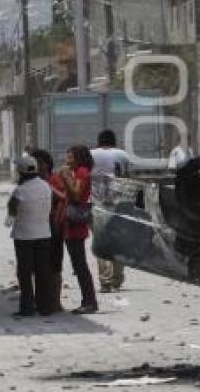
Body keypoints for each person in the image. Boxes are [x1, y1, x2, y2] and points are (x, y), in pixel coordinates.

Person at [5, 156, 54, 317]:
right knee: (43, 271)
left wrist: (10, 219)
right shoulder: (46, 186)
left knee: (25, 273)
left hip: (24, 236)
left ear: (21, 171)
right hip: (44, 234)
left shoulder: (20, 190)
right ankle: (45, 306)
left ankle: (27, 307)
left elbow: (11, 212)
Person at [60, 145, 98, 314]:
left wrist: (66, 176)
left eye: (70, 158)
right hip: (70, 225)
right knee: (78, 265)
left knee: (80, 265)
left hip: (77, 226)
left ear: (79, 158)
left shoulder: (82, 172)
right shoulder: (77, 172)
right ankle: (88, 301)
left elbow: (76, 194)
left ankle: (89, 302)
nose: (67, 161)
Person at [90, 130, 128, 293]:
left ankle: (105, 280)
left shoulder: (91, 154)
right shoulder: (123, 155)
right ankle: (117, 279)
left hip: (96, 204)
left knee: (100, 241)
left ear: (99, 142)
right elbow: (128, 179)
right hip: (118, 203)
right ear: (114, 142)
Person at [30, 149, 66, 313]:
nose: (37, 167)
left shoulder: (54, 180)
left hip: (54, 227)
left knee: (54, 266)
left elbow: (62, 199)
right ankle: (41, 301)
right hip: (36, 229)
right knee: (39, 267)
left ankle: (55, 302)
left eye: (40, 163)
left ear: (47, 164)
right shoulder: (30, 182)